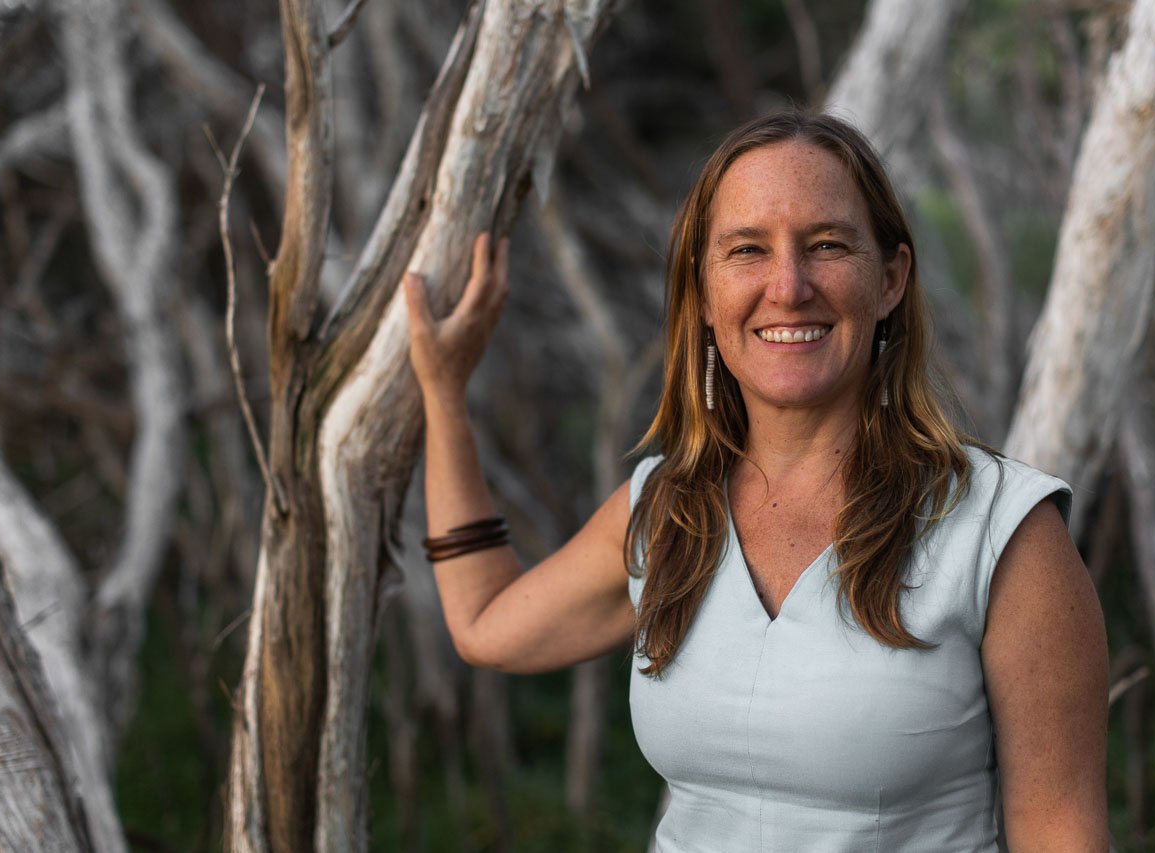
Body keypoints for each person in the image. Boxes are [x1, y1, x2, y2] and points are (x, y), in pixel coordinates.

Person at [400, 110, 1108, 852]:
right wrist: (444, 398)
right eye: (747, 250)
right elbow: (485, 623)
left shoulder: (1001, 532)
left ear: (892, 278)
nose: (789, 285)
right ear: (704, 292)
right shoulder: (667, 510)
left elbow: (1061, 832)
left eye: (827, 245)